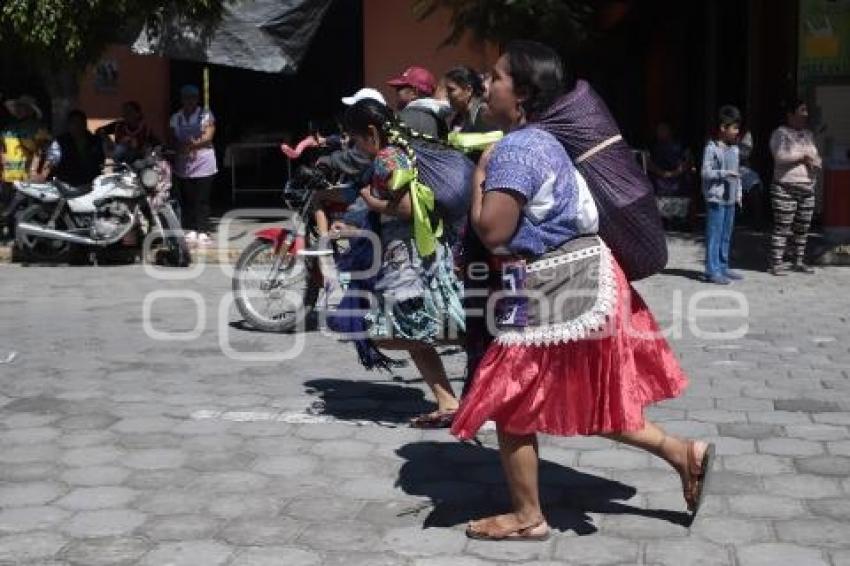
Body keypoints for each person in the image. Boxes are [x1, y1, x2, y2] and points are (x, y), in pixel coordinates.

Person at [451, 40, 714, 541]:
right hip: (584, 276)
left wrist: (482, 175)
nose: (487, 84)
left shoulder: (519, 148)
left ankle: (528, 518)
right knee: (580, 396)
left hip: (560, 282)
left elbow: (493, 231)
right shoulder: (543, 142)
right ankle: (684, 454)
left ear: (523, 92)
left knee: (509, 402)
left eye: (497, 76)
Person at [337, 99, 465, 428]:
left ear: (370, 132)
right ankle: (448, 401)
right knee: (418, 332)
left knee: (400, 331)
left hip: (409, 259)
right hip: (425, 250)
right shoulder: (406, 148)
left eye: (356, 139)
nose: (356, 147)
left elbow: (406, 208)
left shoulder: (387, 157)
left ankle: (468, 389)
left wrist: (371, 202)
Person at [768, 99, 821, 275]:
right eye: (802, 110)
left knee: (802, 227)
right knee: (783, 226)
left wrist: (817, 163)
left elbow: (815, 156)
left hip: (807, 188)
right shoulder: (780, 133)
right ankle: (776, 262)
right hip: (785, 187)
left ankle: (798, 260)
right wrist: (802, 157)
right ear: (791, 114)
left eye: (806, 111)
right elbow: (780, 156)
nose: (805, 114)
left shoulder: (808, 134)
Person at [169, 85, 217, 248]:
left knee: (202, 198)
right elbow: (172, 137)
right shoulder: (177, 117)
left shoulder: (205, 115)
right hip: (185, 164)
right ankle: (190, 229)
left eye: (192, 98)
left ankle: (203, 230)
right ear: (182, 99)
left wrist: (190, 146)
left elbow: (208, 137)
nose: (189, 101)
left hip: (204, 161)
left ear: (197, 99)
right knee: (187, 198)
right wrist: (180, 147)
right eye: (186, 98)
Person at [701, 105, 743, 285]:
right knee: (714, 235)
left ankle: (723, 266)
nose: (737, 131)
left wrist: (739, 193)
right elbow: (705, 173)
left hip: (731, 199)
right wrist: (723, 174)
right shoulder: (711, 148)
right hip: (716, 198)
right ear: (722, 128)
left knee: (726, 234)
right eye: (734, 127)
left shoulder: (735, 149)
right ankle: (712, 270)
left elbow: (738, 174)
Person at [387, 66, 451, 139]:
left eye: (400, 88)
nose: (397, 92)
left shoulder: (403, 119)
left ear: (414, 92)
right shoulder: (441, 120)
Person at [54, 110, 104, 186]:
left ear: (85, 124)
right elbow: (53, 162)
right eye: (74, 123)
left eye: (80, 122)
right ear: (68, 125)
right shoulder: (60, 142)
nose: (77, 125)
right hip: (67, 184)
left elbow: (101, 159)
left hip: (91, 183)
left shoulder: (94, 140)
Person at [648, 122, 693, 197]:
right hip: (659, 185)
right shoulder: (653, 147)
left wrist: (674, 173)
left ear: (670, 131)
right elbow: (648, 163)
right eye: (659, 130)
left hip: (679, 184)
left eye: (663, 129)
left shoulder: (681, 146)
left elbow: (688, 162)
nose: (660, 132)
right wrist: (663, 173)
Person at [444, 66, 490, 133]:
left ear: (469, 90)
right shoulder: (456, 119)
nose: (447, 95)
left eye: (451, 90)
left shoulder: (483, 116)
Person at [738, 131, 766, 230]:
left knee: (755, 186)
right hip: (730, 169)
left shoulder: (747, 136)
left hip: (743, 169)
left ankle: (757, 221)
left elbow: (746, 155)